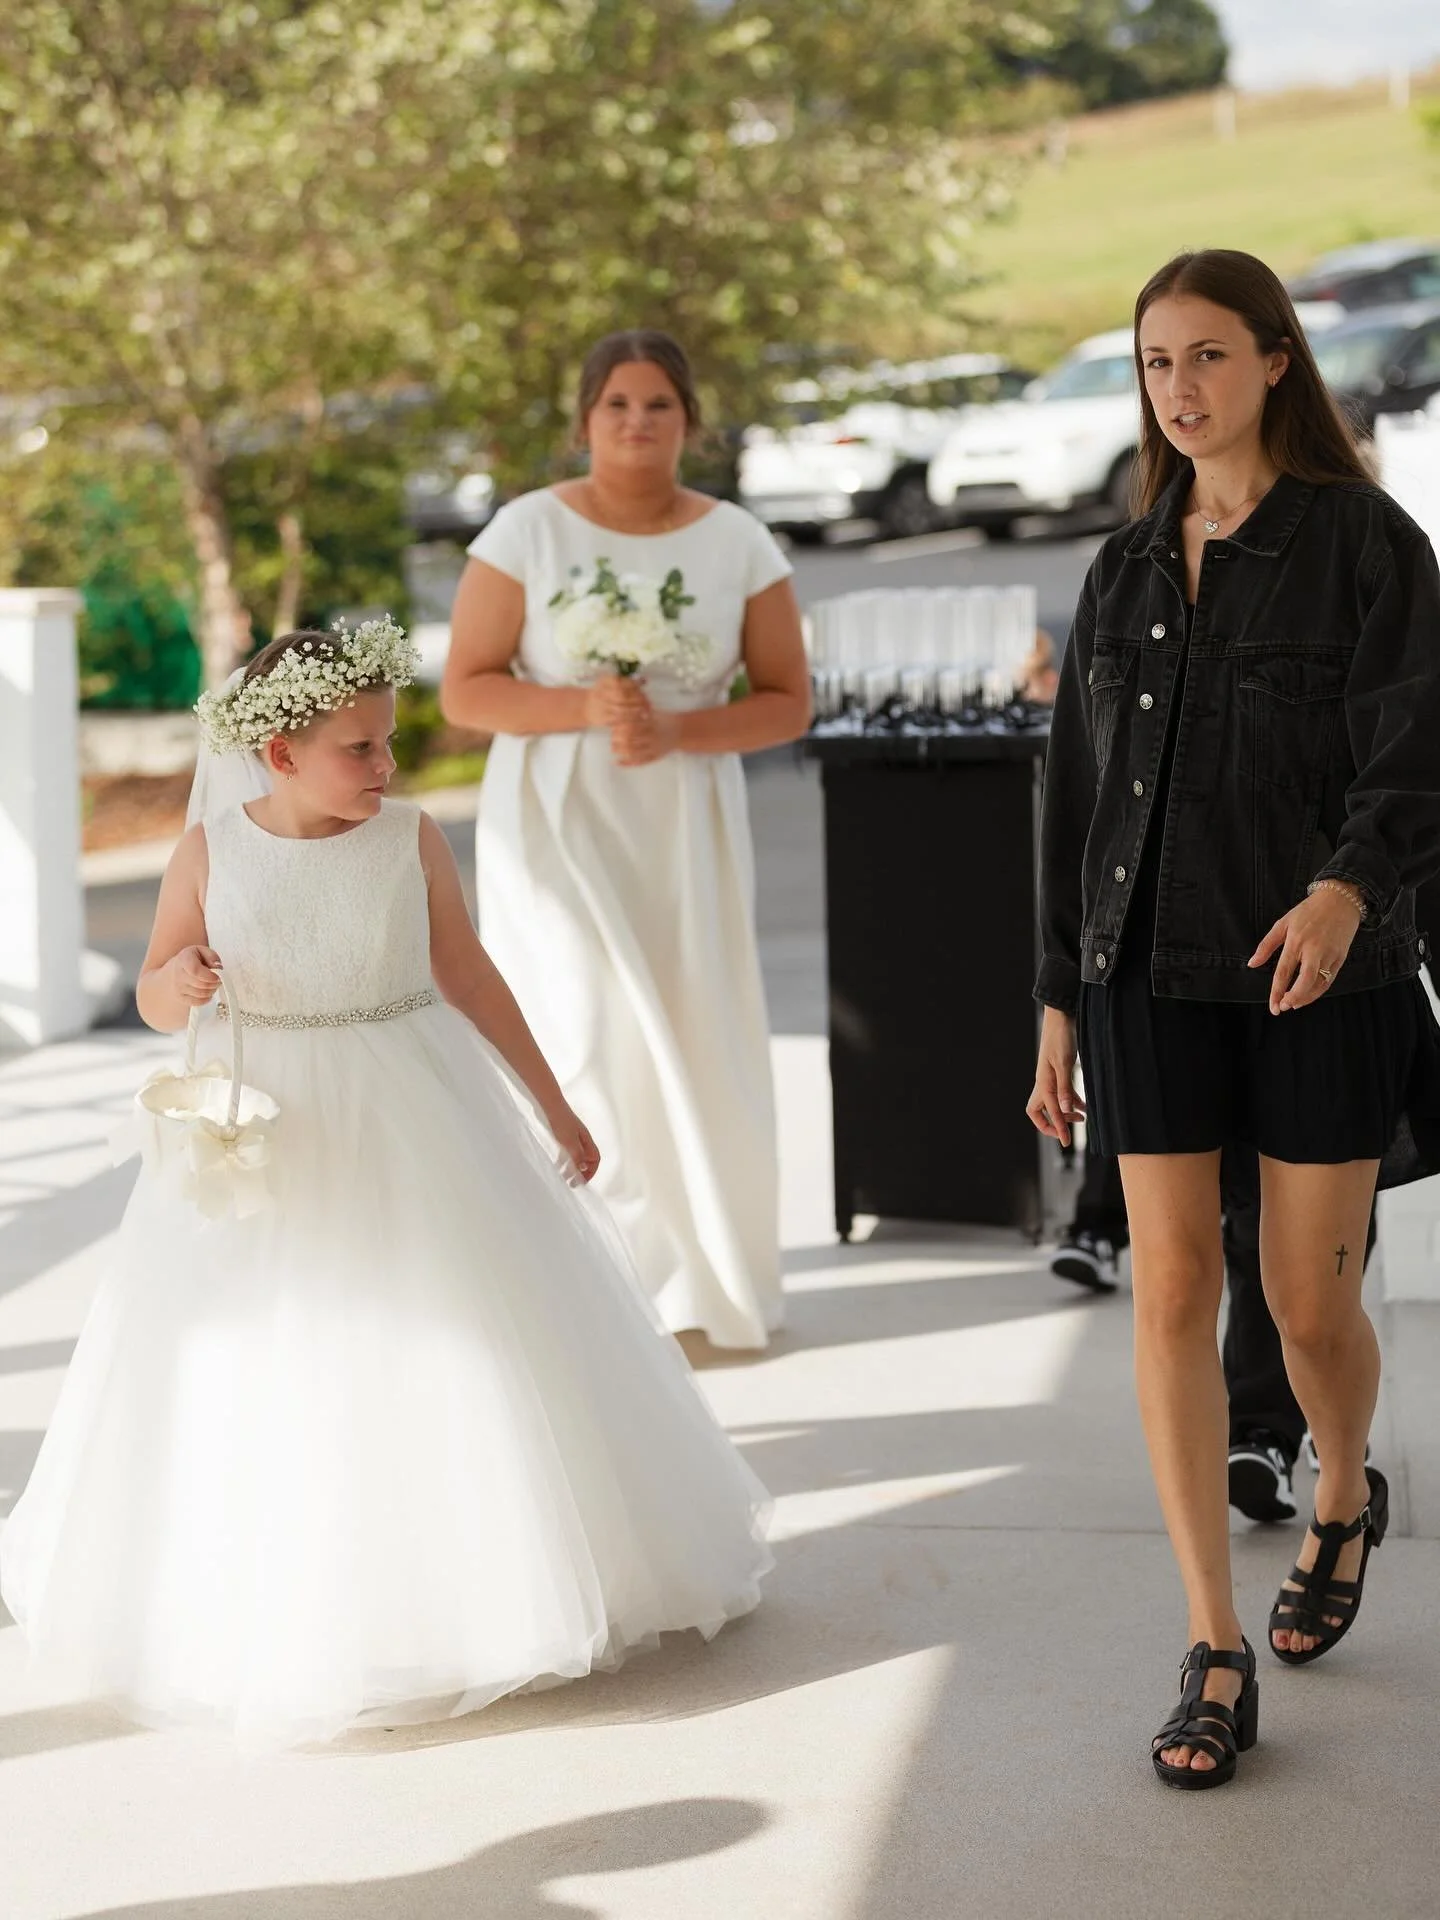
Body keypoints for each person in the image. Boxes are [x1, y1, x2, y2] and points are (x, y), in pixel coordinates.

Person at [0, 623, 772, 1752]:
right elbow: (163, 1000)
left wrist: (554, 1104)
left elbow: (466, 970)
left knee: (460, 1335)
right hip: (265, 1126)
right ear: (278, 757)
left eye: (387, 744)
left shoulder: (409, 839)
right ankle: (308, 1615)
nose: (385, 768)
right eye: (358, 749)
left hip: (413, 1102)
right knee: (279, 1353)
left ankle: (487, 1592)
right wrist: (180, 976)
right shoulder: (213, 850)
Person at [1027, 248, 1440, 1790]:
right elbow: (1073, 801)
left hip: (1315, 975)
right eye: (1154, 365)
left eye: (1208, 357)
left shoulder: (1366, 546)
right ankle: (1210, 1642)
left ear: (1276, 363)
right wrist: (1060, 1000)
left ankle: (1340, 1495)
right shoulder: (1126, 566)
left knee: (1310, 1305)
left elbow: (1419, 753)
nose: (1180, 391)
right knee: (1169, 1293)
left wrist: (1348, 891)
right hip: (1144, 976)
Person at [442, 330, 811, 1351]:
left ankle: (709, 1283)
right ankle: (598, 1300)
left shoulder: (737, 541)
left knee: (694, 1041)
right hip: (558, 824)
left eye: (659, 405)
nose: (639, 423)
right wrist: (584, 708)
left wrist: (678, 729)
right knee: (584, 1035)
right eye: (618, 405)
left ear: (689, 421)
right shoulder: (526, 531)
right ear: (584, 420)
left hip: (684, 826)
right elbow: (465, 689)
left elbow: (787, 702)